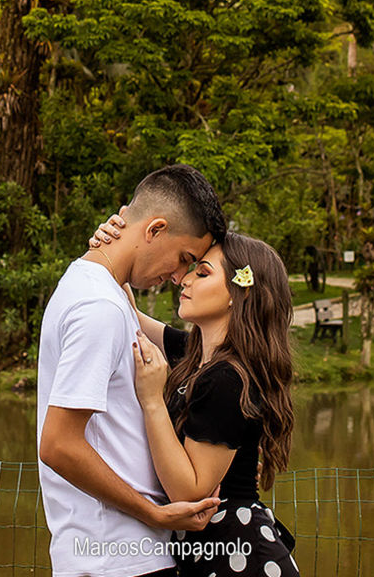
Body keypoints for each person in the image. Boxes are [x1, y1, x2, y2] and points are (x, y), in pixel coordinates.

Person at [37, 164, 229, 577]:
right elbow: (58, 444)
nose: (179, 276)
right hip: (117, 556)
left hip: (117, 552)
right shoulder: (100, 308)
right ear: (155, 228)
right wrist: (153, 514)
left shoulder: (99, 292)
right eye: (184, 258)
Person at [94, 217, 299, 577]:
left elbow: (189, 495)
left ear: (240, 294)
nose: (185, 280)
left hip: (235, 556)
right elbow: (132, 315)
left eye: (202, 273)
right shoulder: (198, 356)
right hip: (217, 552)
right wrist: (113, 243)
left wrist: (153, 400)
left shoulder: (227, 379)